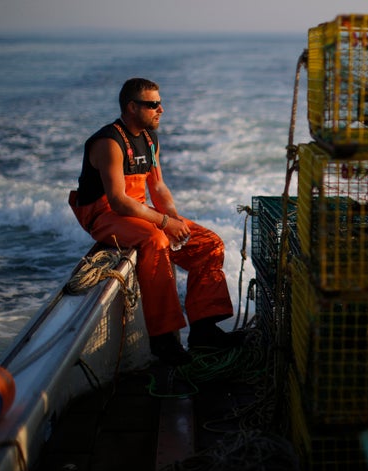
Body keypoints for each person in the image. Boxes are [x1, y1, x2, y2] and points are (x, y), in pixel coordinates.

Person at [69, 78, 240, 366]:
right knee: (155, 240)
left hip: (137, 209)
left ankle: (204, 329)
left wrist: (172, 218)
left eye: (160, 103)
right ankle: (164, 340)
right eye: (153, 105)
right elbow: (118, 200)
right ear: (132, 107)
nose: (161, 109)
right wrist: (162, 224)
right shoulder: (109, 142)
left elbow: (158, 188)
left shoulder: (149, 139)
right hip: (104, 214)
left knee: (208, 244)